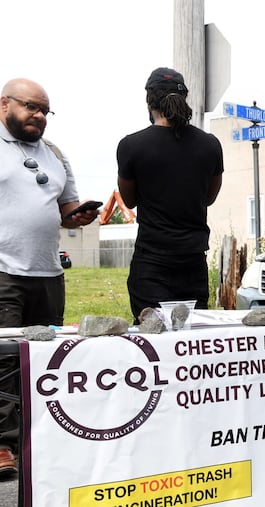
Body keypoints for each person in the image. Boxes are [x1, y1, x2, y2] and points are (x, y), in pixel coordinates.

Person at [0, 78, 99, 478]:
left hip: (48, 273)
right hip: (4, 271)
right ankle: (4, 447)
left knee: (44, 361)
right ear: (4, 103)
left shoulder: (54, 154)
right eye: (30, 107)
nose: (39, 116)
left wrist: (79, 215)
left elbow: (65, 206)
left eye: (44, 110)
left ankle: (39, 441)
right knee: (5, 360)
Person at [117, 67, 224, 323]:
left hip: (152, 261)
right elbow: (209, 197)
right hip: (193, 261)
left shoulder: (131, 145)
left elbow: (129, 200)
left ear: (148, 100)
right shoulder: (210, 145)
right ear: (184, 97)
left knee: (153, 339)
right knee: (192, 339)